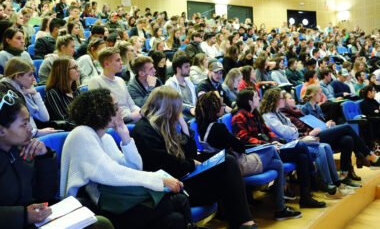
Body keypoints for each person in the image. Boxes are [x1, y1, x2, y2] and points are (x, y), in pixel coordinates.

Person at [61, 88, 193, 229]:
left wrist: (125, 137)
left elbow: (133, 168)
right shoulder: (81, 134)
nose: (121, 111)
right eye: (116, 107)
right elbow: (112, 173)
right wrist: (159, 180)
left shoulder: (105, 137)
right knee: (176, 202)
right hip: (98, 209)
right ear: (101, 112)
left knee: (175, 219)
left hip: (118, 200)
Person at [131, 86, 258, 229]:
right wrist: (191, 164)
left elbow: (190, 153)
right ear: (167, 109)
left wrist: (184, 127)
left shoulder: (167, 125)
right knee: (226, 176)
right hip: (169, 189)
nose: (178, 113)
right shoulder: (143, 131)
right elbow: (165, 164)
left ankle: (243, 222)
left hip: (182, 178)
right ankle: (243, 223)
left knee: (227, 162)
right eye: (176, 109)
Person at [196, 91, 302, 220]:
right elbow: (240, 147)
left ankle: (281, 207)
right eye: (221, 104)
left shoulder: (202, 127)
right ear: (215, 107)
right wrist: (239, 141)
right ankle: (282, 202)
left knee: (278, 163)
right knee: (271, 149)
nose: (224, 106)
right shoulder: (219, 128)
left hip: (226, 167)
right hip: (237, 166)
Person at [232, 88, 327, 207]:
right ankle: (314, 177)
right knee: (301, 146)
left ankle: (306, 197)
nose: (259, 98)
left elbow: (268, 132)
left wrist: (276, 141)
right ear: (250, 101)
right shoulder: (239, 117)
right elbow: (245, 140)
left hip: (269, 148)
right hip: (258, 153)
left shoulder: (255, 114)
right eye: (256, 97)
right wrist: (268, 144)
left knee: (302, 156)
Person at [281, 90, 378, 188]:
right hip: (310, 137)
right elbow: (297, 133)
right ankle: (368, 154)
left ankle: (344, 174)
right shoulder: (288, 115)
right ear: (284, 102)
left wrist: (326, 124)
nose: (293, 99)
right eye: (290, 98)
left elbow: (313, 123)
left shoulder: (298, 111)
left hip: (319, 131)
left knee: (347, 139)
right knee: (347, 128)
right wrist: (310, 132)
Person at [0, 90, 58, 229]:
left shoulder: (22, 150)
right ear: (1, 130)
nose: (31, 129)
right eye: (24, 124)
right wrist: (23, 216)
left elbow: (46, 195)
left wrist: (44, 157)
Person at [1, 57, 56, 137]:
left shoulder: (24, 87)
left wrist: (35, 94)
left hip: (30, 135)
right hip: (20, 139)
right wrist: (37, 132)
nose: (34, 79)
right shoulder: (6, 93)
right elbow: (13, 127)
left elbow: (45, 118)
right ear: (17, 76)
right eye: (30, 75)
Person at [88, 47, 141, 123]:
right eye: (118, 60)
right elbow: (101, 111)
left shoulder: (120, 80)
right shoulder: (95, 81)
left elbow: (131, 104)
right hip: (117, 122)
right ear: (106, 64)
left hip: (131, 118)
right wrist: (129, 117)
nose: (122, 62)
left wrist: (142, 112)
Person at [44, 57, 80, 130]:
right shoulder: (53, 93)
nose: (78, 70)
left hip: (81, 127)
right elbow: (64, 120)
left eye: (77, 67)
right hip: (69, 132)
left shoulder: (76, 91)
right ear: (64, 71)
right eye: (74, 68)